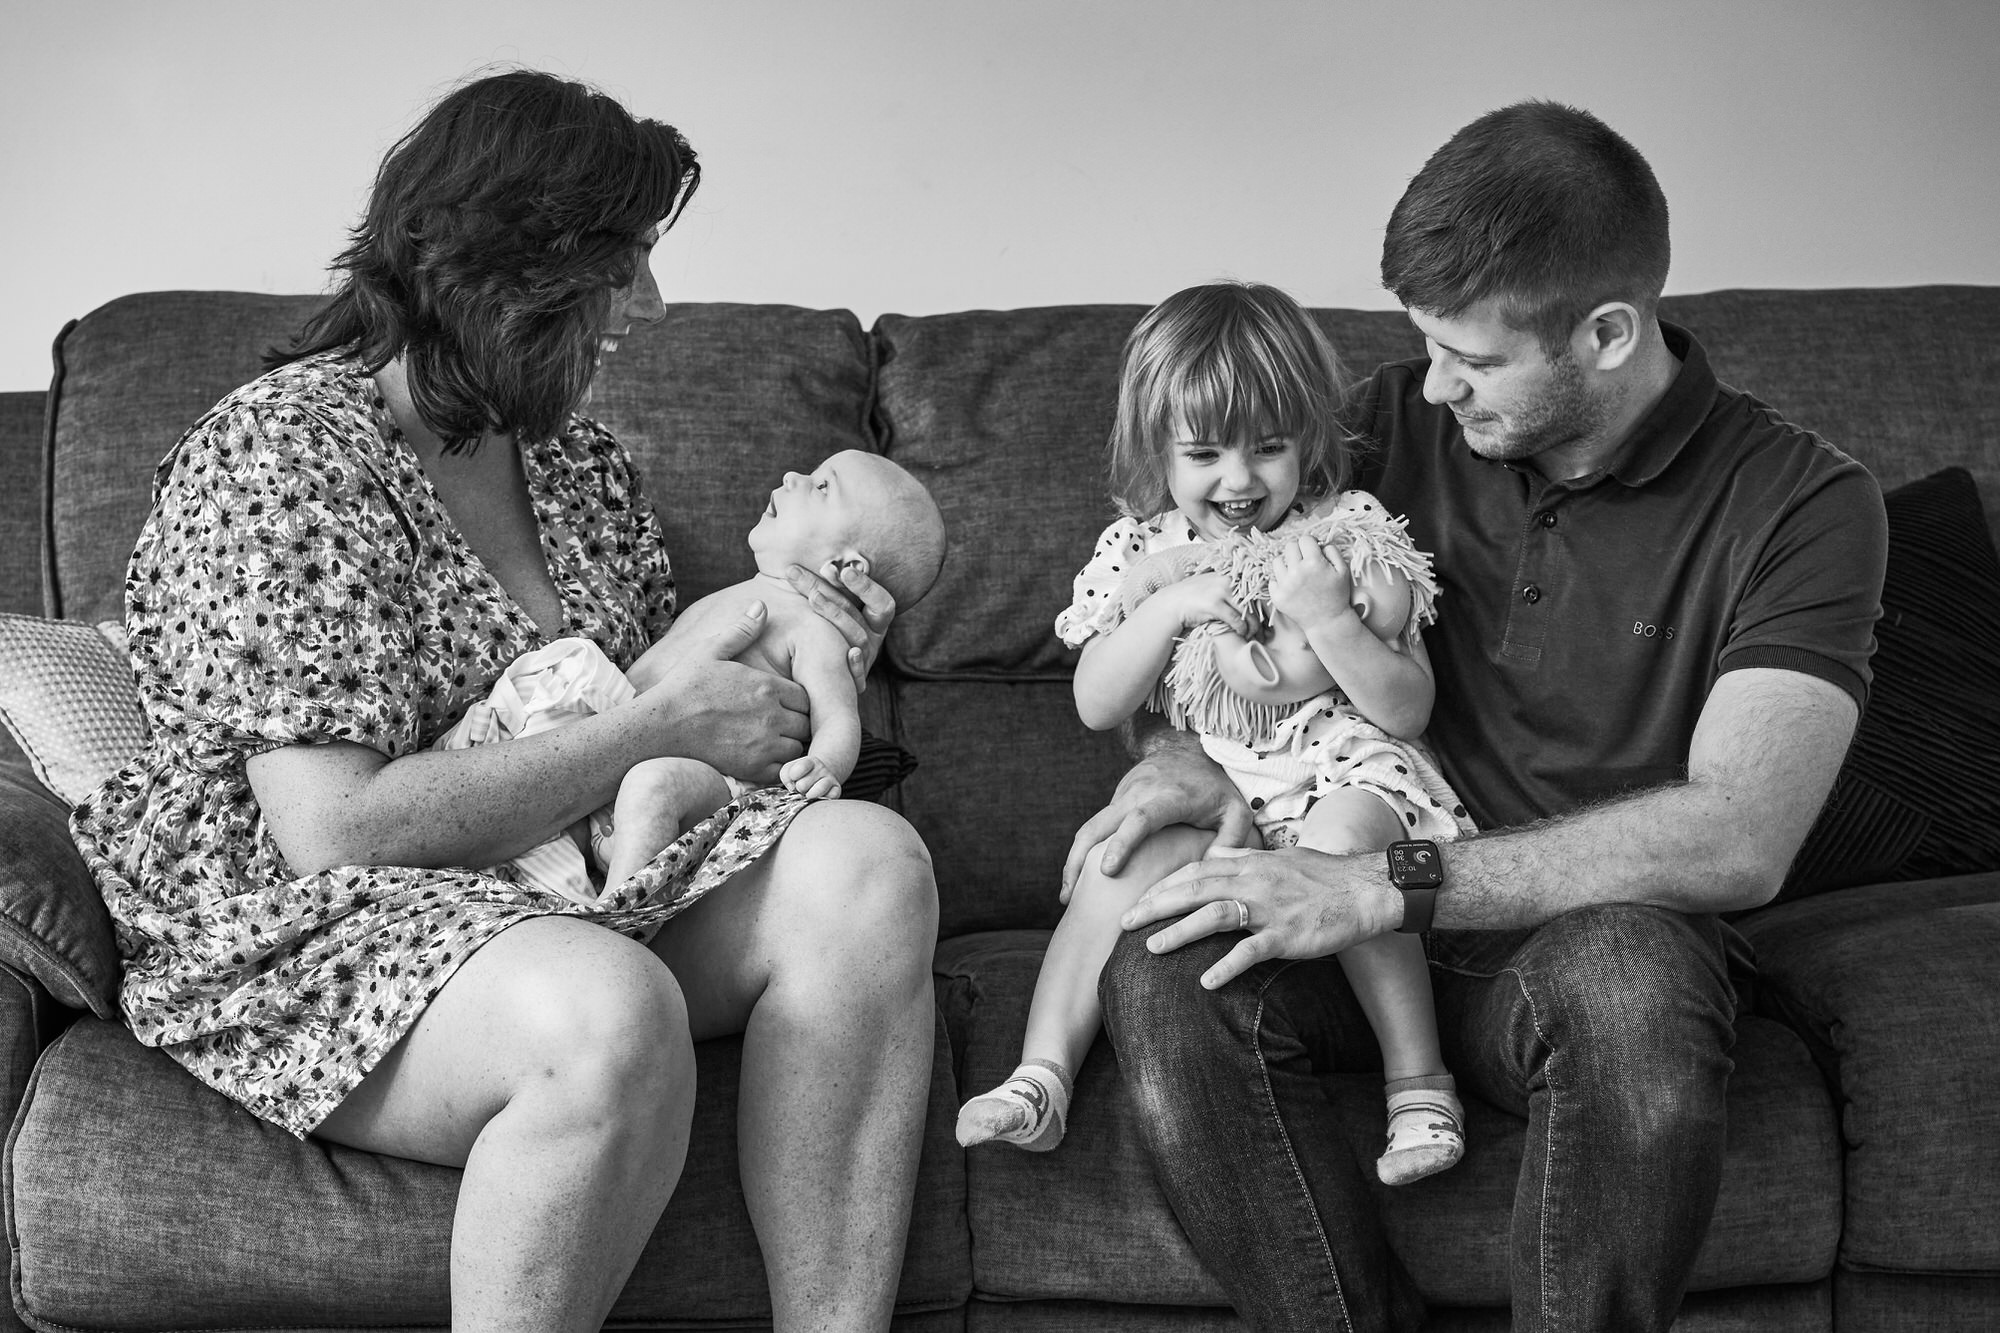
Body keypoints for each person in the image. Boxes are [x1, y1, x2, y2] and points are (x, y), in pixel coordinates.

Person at [68, 70, 938, 1333]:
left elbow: (656, 723)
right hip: (322, 927)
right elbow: (335, 832)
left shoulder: (580, 466)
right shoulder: (283, 454)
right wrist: (659, 727)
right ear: (497, 266)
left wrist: (812, 661)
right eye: (619, 268)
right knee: (608, 1006)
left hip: (565, 878)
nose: (649, 305)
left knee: (869, 862)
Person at [1079, 103, 1887, 1331]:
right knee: (1165, 962)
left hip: (1568, 938)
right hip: (1348, 898)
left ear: (1605, 334)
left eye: (1471, 356)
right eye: (1424, 344)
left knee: (1626, 976)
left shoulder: (1800, 504)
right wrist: (1184, 756)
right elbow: (1194, 584)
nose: (1431, 382)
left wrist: (1386, 884)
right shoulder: (1394, 424)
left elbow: (1739, 835)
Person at [958, 283, 1472, 1187]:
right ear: (1158, 449)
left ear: (1307, 439)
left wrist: (1331, 617)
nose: (1238, 482)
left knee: (1348, 855)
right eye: (1204, 453)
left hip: (1342, 772)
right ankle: (1040, 1077)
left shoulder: (1345, 534)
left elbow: (1409, 709)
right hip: (1224, 797)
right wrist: (1171, 605)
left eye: (1267, 448)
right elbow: (1096, 702)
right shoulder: (1138, 553)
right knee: (1119, 861)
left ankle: (1420, 1084)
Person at [440, 448, 946, 898]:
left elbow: (839, 716)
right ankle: (541, 864)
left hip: (711, 783)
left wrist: (824, 766)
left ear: (847, 567)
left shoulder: (816, 631)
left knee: (652, 786)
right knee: (565, 674)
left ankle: (618, 916)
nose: (793, 476)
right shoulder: (746, 592)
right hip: (613, 755)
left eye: (821, 486)